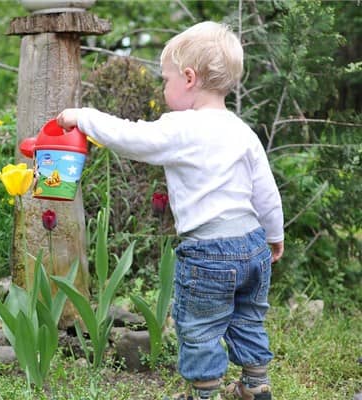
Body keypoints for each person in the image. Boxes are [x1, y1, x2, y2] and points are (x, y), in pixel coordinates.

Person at [56, 21, 283, 400]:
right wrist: (274, 236)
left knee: (200, 327)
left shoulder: (182, 127)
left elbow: (131, 138)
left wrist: (83, 117)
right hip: (252, 245)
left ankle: (204, 393)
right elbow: (267, 193)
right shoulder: (242, 131)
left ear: (189, 78)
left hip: (208, 252)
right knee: (248, 318)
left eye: (166, 80)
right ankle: (255, 383)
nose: (164, 89)